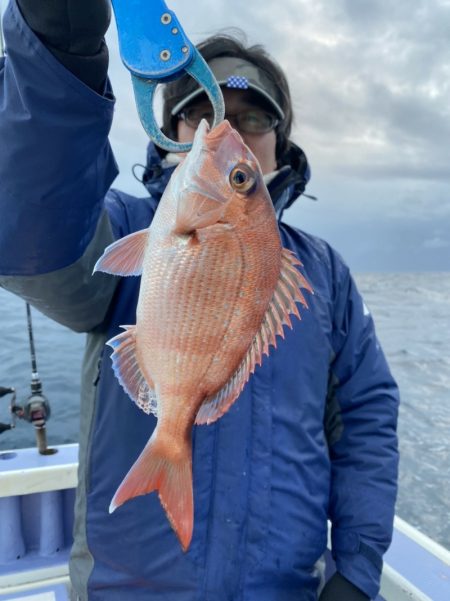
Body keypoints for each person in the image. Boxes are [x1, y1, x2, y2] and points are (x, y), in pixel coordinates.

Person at [0, 1, 399, 600]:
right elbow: (32, 231)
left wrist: (357, 571)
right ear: (169, 138)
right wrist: (59, 52)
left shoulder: (325, 277)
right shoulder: (118, 226)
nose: (228, 127)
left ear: (278, 143)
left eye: (253, 117)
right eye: (201, 111)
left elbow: (367, 420)